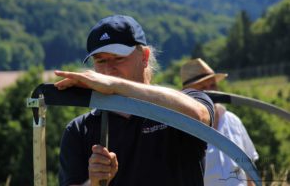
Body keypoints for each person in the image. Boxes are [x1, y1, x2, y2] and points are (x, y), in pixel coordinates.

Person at [54, 15, 215, 186]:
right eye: (101, 60)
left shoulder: (182, 102)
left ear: (144, 56)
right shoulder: (80, 129)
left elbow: (199, 116)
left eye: (118, 58)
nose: (109, 70)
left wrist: (115, 85)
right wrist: (94, 183)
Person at [180, 58, 259, 186]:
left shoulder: (233, 121)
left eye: (212, 85)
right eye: (202, 88)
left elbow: (249, 168)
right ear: (188, 93)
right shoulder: (182, 130)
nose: (210, 92)